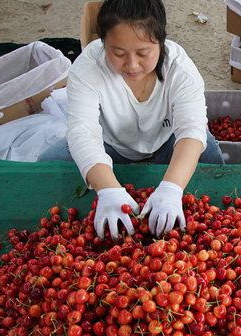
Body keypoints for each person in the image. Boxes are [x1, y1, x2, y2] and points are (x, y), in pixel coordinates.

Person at [38, 0, 224, 240]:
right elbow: (83, 132)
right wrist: (108, 190)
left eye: (143, 53)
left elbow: (191, 129)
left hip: (167, 141)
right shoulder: (86, 69)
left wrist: (171, 188)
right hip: (111, 144)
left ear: (161, 41)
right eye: (118, 53)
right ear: (103, 43)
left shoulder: (180, 69)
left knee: (210, 160)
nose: (132, 64)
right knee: (48, 163)